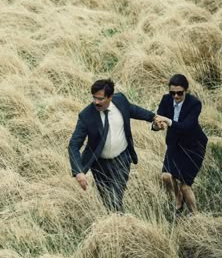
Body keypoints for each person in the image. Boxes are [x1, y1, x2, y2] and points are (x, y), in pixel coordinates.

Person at [68, 78, 156, 213]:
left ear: (110, 97)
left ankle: (119, 224)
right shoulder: (86, 115)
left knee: (115, 198)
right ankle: (117, 224)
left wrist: (153, 117)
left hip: (122, 159)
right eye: (94, 98)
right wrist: (78, 171)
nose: (96, 102)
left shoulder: (120, 100)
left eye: (100, 99)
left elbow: (133, 109)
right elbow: (74, 144)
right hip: (99, 164)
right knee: (107, 201)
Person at [153, 74, 208, 215]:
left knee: (185, 186)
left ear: (186, 91)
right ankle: (177, 197)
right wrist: (157, 125)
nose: (176, 96)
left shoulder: (194, 104)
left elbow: (186, 127)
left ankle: (195, 216)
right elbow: (158, 119)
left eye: (179, 93)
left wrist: (168, 121)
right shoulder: (166, 100)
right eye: (172, 93)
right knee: (165, 176)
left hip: (194, 146)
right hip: (174, 144)